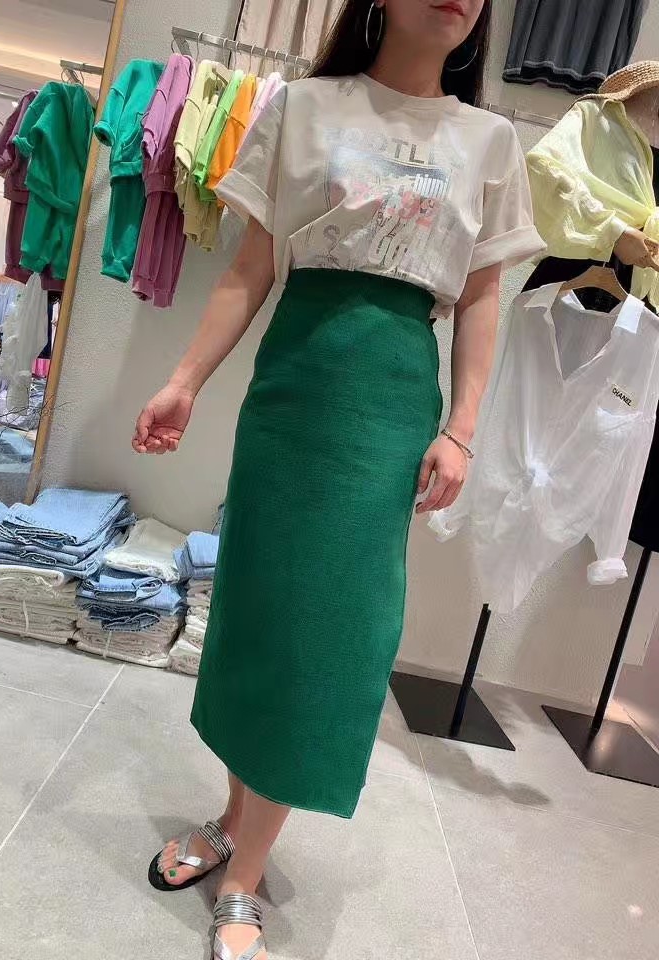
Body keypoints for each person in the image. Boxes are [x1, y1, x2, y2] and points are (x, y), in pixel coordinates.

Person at [133, 2, 544, 957]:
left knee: (329, 635)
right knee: (262, 613)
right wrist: (184, 381)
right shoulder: (302, 107)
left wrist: (461, 430)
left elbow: (482, 296)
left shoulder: (490, 143)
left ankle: (246, 872)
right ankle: (233, 821)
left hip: (388, 402)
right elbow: (251, 267)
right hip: (293, 388)